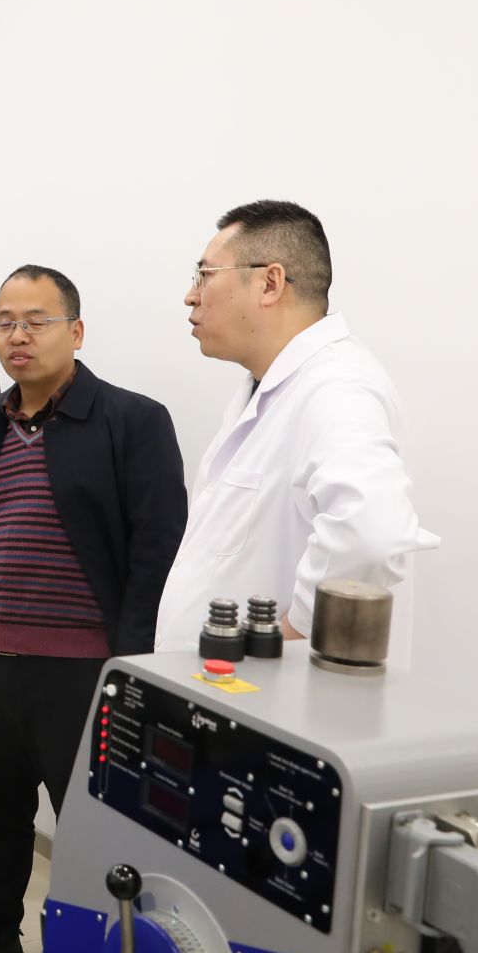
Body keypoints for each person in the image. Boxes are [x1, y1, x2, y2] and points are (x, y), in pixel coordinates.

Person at [0, 265, 187, 953]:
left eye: (36, 321)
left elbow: (157, 551)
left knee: (88, 825)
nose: (17, 336)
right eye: (4, 322)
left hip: (85, 671)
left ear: (76, 332)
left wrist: (129, 666)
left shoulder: (132, 421)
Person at [158, 200, 438, 658]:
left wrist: (288, 634)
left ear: (270, 283)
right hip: (226, 687)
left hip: (277, 689)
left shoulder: (337, 386)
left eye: (204, 275)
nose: (191, 296)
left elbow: (373, 533)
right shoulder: (270, 389)